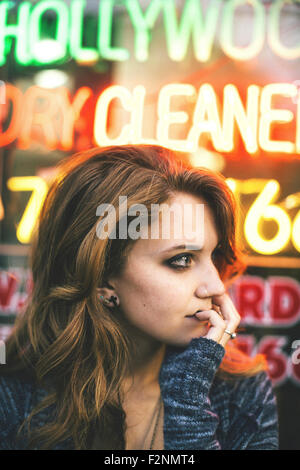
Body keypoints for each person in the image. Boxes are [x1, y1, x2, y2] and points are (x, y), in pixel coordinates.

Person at [0, 145, 278, 450]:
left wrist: (188, 397)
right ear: (101, 277)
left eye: (214, 256)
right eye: (182, 260)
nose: (215, 286)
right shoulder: (15, 398)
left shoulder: (242, 394)